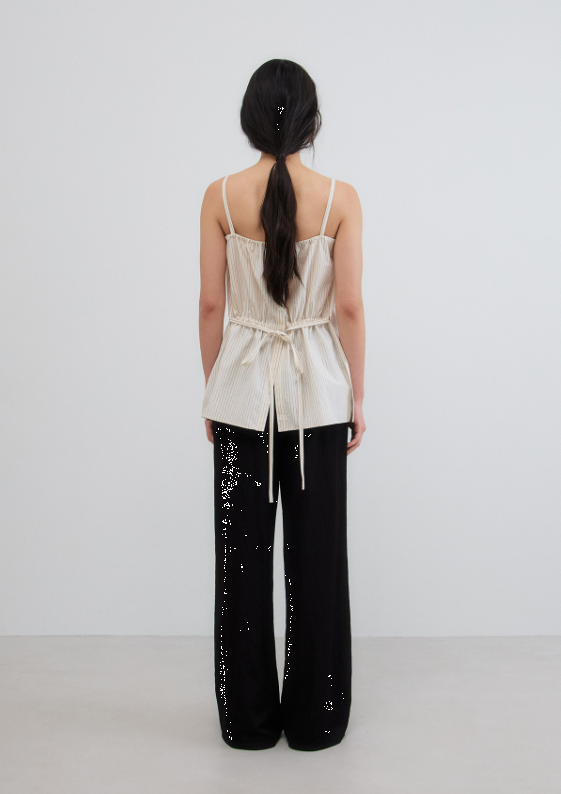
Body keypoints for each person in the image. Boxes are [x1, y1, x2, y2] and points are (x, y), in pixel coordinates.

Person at [199, 59, 366, 752]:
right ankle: (317, 718)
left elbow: (211, 305)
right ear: (311, 121)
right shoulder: (338, 198)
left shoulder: (218, 195)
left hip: (242, 399)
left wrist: (213, 390)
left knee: (240, 561)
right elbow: (349, 307)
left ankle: (247, 722)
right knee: (317, 556)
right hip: (317, 399)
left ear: (249, 119)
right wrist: (357, 395)